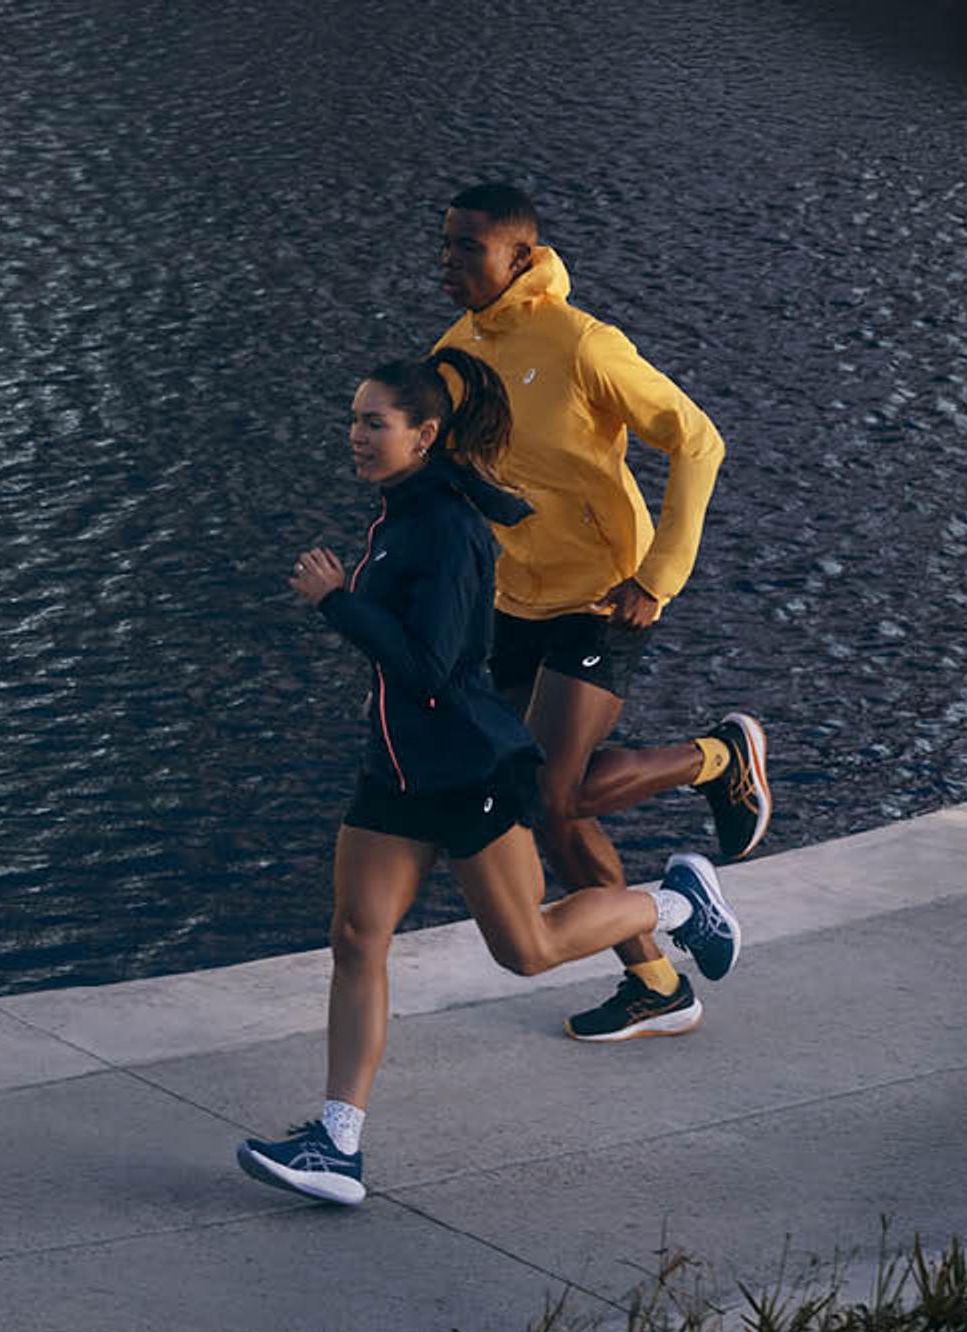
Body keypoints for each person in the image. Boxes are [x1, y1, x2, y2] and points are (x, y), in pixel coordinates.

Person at [234, 348, 741, 1206]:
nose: (356, 435)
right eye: (354, 419)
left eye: (375, 423)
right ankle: (338, 1145)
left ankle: (679, 905)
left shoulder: (445, 529)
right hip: (395, 771)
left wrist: (337, 603)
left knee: (528, 948)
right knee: (356, 936)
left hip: (467, 766)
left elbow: (432, 668)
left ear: (424, 435)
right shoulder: (400, 514)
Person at [433, 182, 770, 1044]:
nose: (448, 260)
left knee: (555, 790)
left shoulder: (582, 342)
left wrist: (659, 576)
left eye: (468, 246)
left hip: (604, 593)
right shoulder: (453, 353)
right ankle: (658, 984)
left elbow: (697, 438)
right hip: (516, 598)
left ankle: (718, 757)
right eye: (445, 243)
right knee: (539, 802)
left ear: (520, 256)